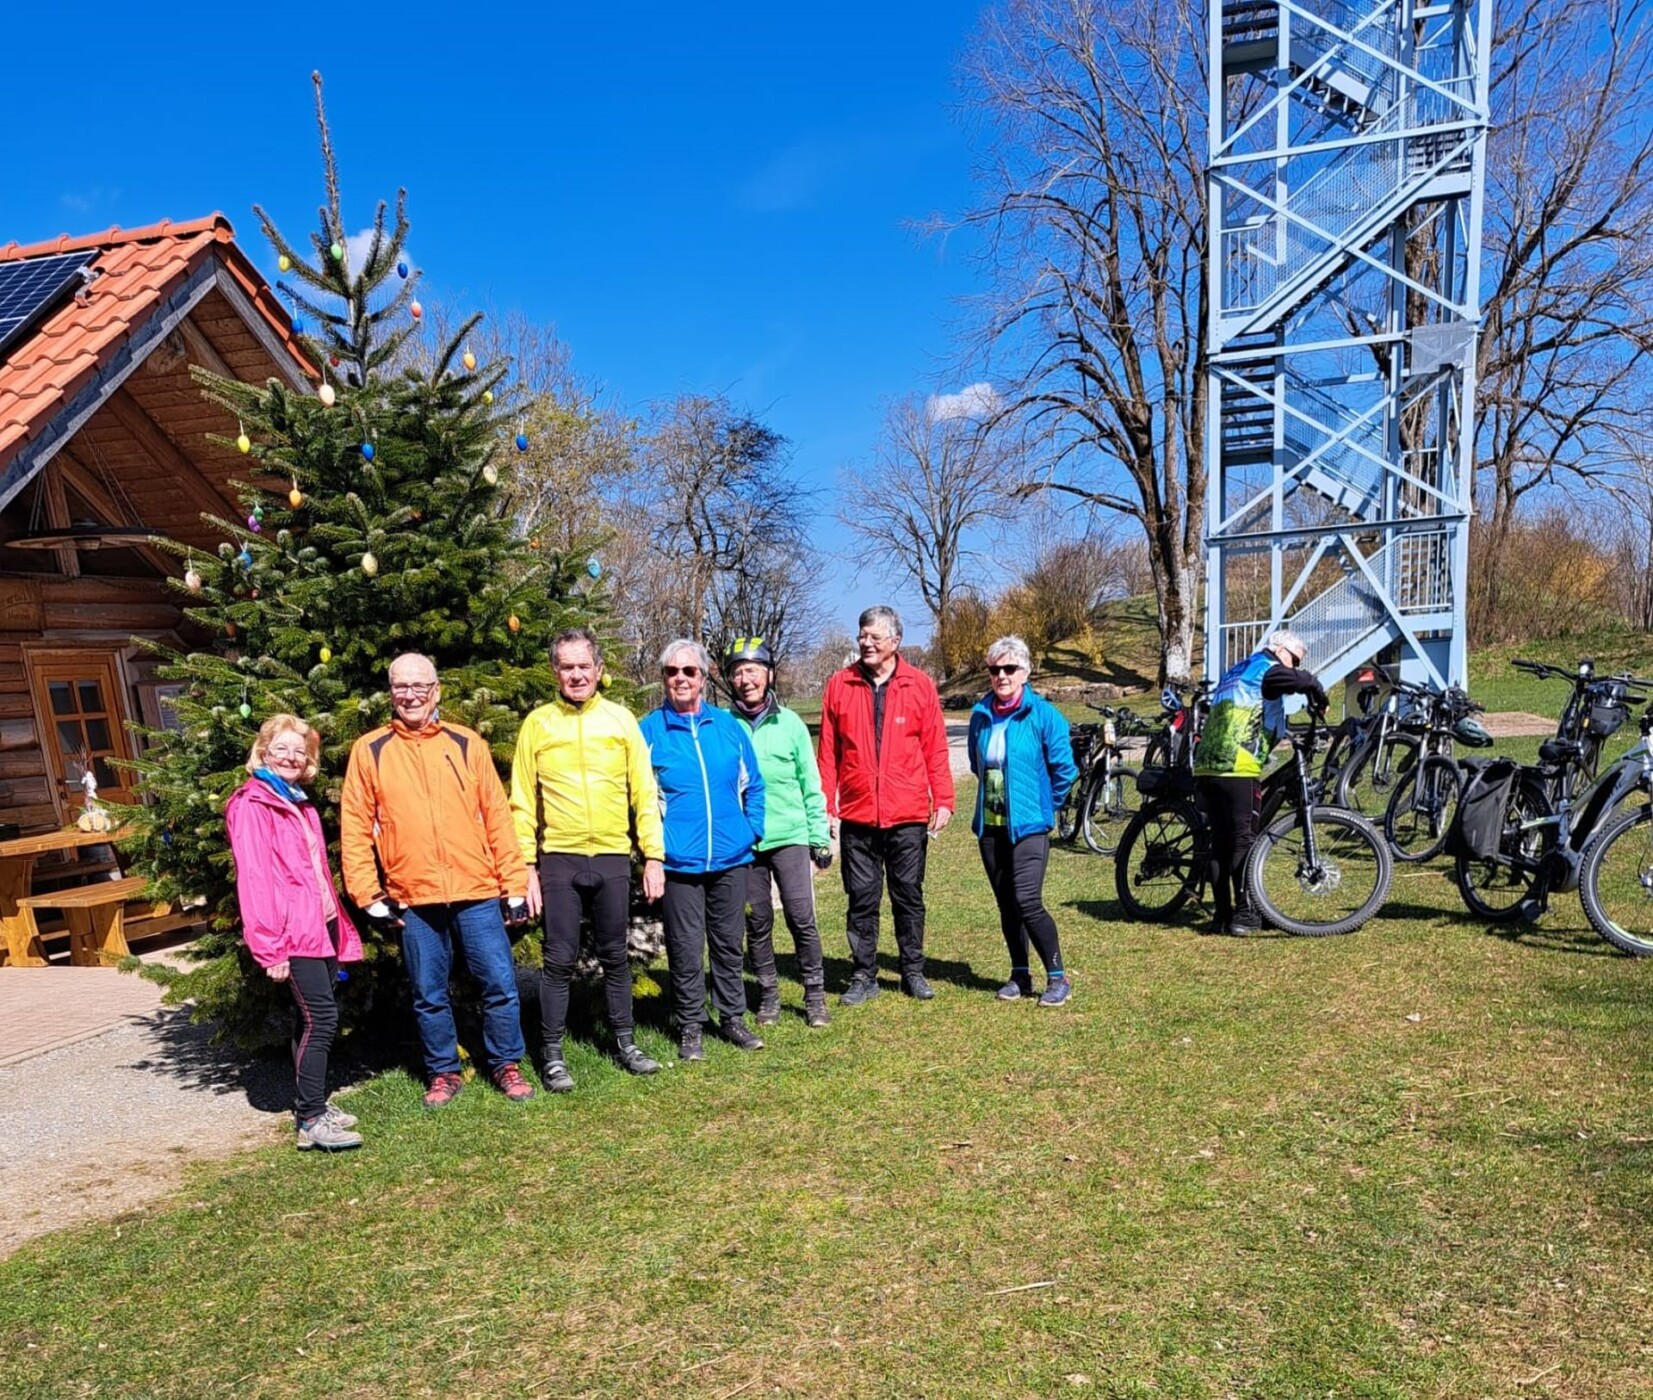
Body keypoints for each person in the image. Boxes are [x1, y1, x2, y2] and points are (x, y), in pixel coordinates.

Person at [340, 653, 536, 1107]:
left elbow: (498, 818)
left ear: (436, 691)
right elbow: (355, 826)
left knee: (499, 984)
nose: (410, 696)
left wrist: (514, 885)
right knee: (428, 993)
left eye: (419, 687)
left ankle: (506, 1063)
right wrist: (368, 895)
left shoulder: (467, 744)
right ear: (390, 693)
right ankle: (443, 1072)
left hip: (477, 890)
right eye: (400, 687)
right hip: (413, 896)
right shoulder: (369, 750)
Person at [510, 627, 665, 1091]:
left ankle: (626, 1043)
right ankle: (552, 1055)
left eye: (584, 666)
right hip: (560, 857)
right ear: (554, 672)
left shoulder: (621, 720)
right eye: (567, 667)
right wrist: (525, 867)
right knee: (558, 959)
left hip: (613, 855)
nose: (576, 675)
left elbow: (644, 792)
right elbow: (522, 800)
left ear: (599, 670)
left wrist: (653, 856)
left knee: (615, 955)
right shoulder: (538, 724)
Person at [226, 715, 364, 1151]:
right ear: (263, 752)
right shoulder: (253, 804)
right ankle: (310, 1120)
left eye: (299, 751)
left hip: (320, 923)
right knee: (322, 1019)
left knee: (310, 1019)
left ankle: (314, 1103)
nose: (291, 757)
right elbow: (255, 880)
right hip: (291, 932)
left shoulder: (297, 801)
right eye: (281, 749)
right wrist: (271, 949)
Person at [817, 605, 955, 1005]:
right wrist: (825, 805)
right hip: (858, 815)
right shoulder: (839, 685)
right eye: (862, 635)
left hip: (907, 815)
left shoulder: (920, 685)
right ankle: (864, 975)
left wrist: (943, 798)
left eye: (875, 637)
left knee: (908, 894)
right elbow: (828, 753)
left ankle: (913, 971)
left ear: (895, 641)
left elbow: (935, 747)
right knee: (861, 898)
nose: (866, 643)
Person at [638, 639, 767, 1060]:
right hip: (679, 863)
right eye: (672, 672)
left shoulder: (728, 727)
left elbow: (754, 785)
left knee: (728, 943)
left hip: (731, 858)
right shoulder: (649, 732)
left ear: (704, 677)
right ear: (664, 678)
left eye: (689, 671)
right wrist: (653, 851)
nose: (680, 678)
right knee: (686, 947)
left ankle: (732, 1017)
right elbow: (637, 798)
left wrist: (751, 831)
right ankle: (690, 1025)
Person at [723, 636, 834, 1029]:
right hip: (746, 842)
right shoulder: (724, 725)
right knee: (757, 920)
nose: (746, 679)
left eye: (753, 670)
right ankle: (768, 994)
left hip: (790, 834)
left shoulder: (790, 724)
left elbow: (810, 783)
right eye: (738, 672)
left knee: (801, 916)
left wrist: (820, 837)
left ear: (768, 675)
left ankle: (814, 995)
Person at [967, 636, 1081, 1006]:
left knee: (1027, 899)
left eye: (1009, 668)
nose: (1001, 675)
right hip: (991, 825)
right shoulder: (980, 716)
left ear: (1025, 672)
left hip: (1030, 826)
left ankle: (1058, 978)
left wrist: (1046, 806)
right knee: (1007, 904)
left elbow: (1065, 769)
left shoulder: (1044, 715)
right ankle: (1020, 974)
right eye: (994, 669)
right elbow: (976, 764)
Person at [1193, 628, 1328, 935]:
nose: (1293, 666)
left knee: (1221, 843)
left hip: (1207, 765)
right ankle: (1245, 915)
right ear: (1279, 650)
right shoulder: (1267, 668)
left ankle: (1221, 918)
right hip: (1237, 766)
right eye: (1294, 659)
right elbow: (1297, 680)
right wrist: (1316, 689)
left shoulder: (1240, 668)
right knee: (1244, 841)